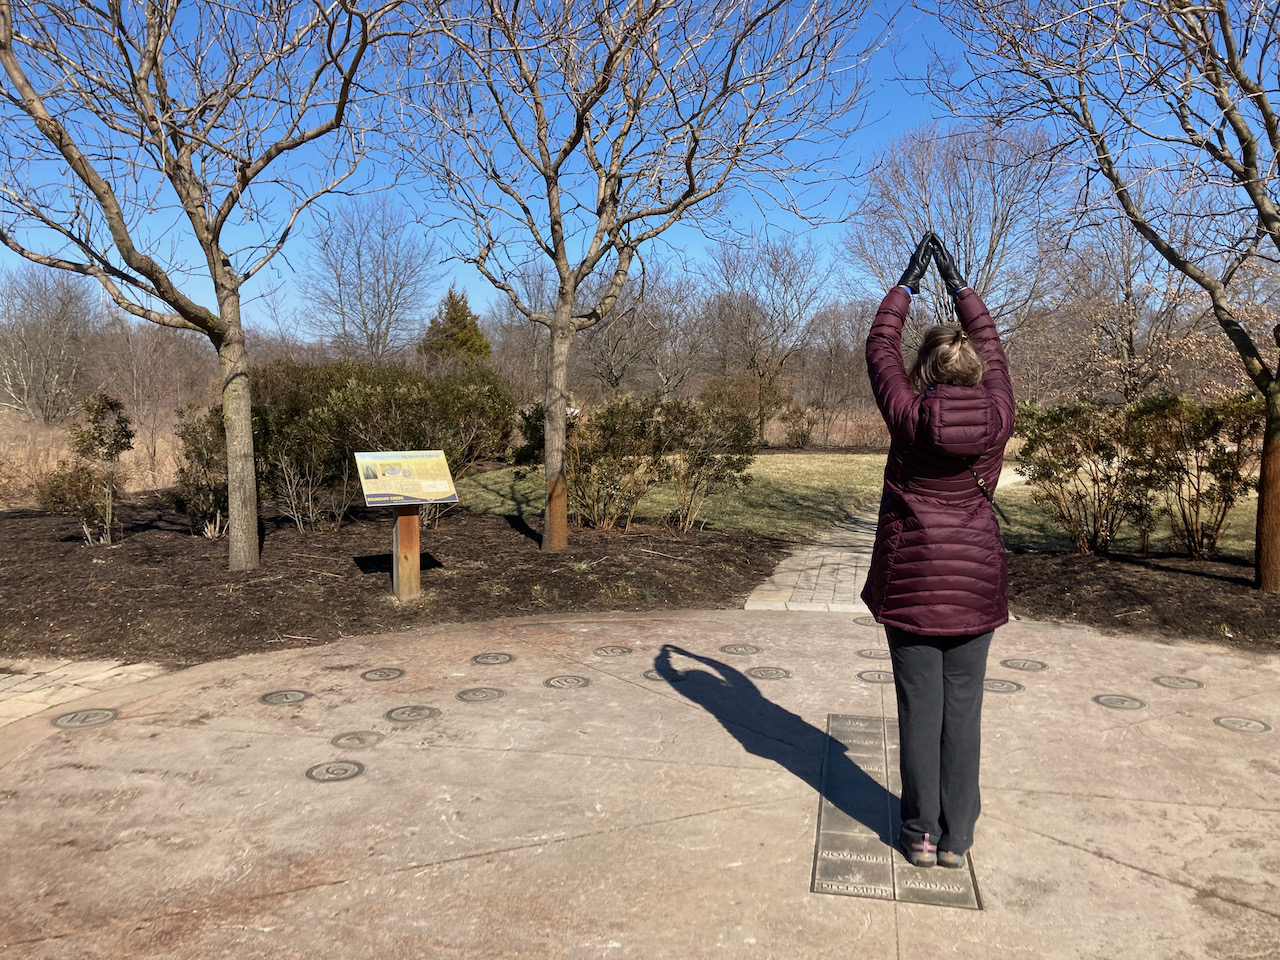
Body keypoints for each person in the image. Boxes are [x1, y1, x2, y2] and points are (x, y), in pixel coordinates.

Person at [861, 232, 1015, 869]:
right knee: (964, 713)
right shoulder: (998, 415)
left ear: (924, 375)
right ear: (976, 372)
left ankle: (920, 833)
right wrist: (963, 289)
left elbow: (879, 348)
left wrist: (907, 284)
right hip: (974, 583)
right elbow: (998, 356)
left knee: (919, 711)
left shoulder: (907, 414)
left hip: (914, 583)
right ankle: (958, 839)